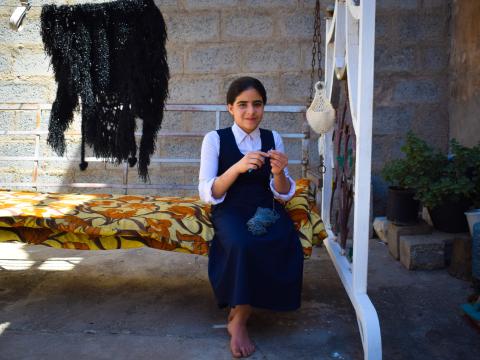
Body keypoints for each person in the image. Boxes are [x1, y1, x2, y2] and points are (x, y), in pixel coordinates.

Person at [198, 77, 303, 358]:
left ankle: (246, 310)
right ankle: (239, 319)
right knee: (242, 243)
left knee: (284, 239)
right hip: (230, 207)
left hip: (265, 207)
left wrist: (280, 172)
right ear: (230, 107)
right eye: (242, 105)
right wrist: (237, 167)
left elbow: (282, 193)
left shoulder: (272, 138)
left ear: (263, 107)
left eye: (257, 104)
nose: (250, 111)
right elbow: (209, 191)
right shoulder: (215, 139)